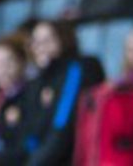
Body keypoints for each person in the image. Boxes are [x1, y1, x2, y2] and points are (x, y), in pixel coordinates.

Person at [23, 19, 105, 165]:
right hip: (44, 155)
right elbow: (32, 127)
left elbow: (62, 128)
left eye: (47, 40)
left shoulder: (79, 68)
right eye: (36, 42)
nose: (40, 47)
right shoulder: (39, 78)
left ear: (64, 39)